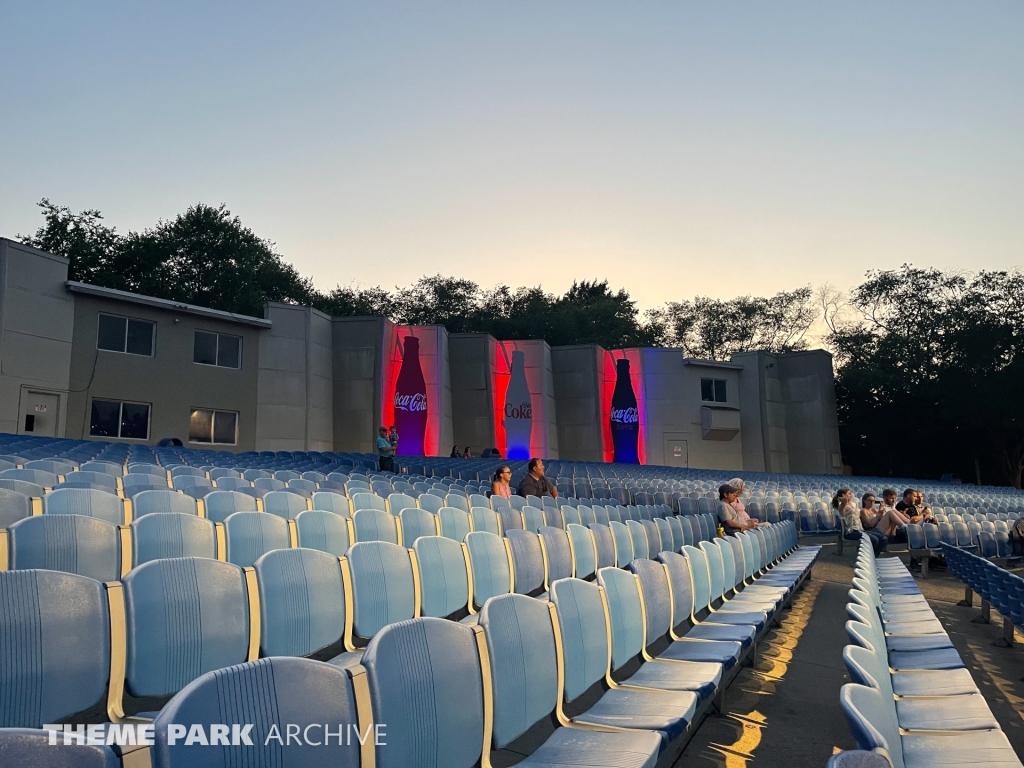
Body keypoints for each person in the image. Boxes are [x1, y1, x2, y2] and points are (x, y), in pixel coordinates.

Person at [835, 488, 886, 555]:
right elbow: (843, 506)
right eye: (849, 493)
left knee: (883, 538)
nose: (851, 495)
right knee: (874, 539)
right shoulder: (842, 506)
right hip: (851, 532)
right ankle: (871, 558)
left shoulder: (853, 505)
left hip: (860, 530)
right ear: (843, 495)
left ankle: (874, 557)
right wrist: (844, 500)